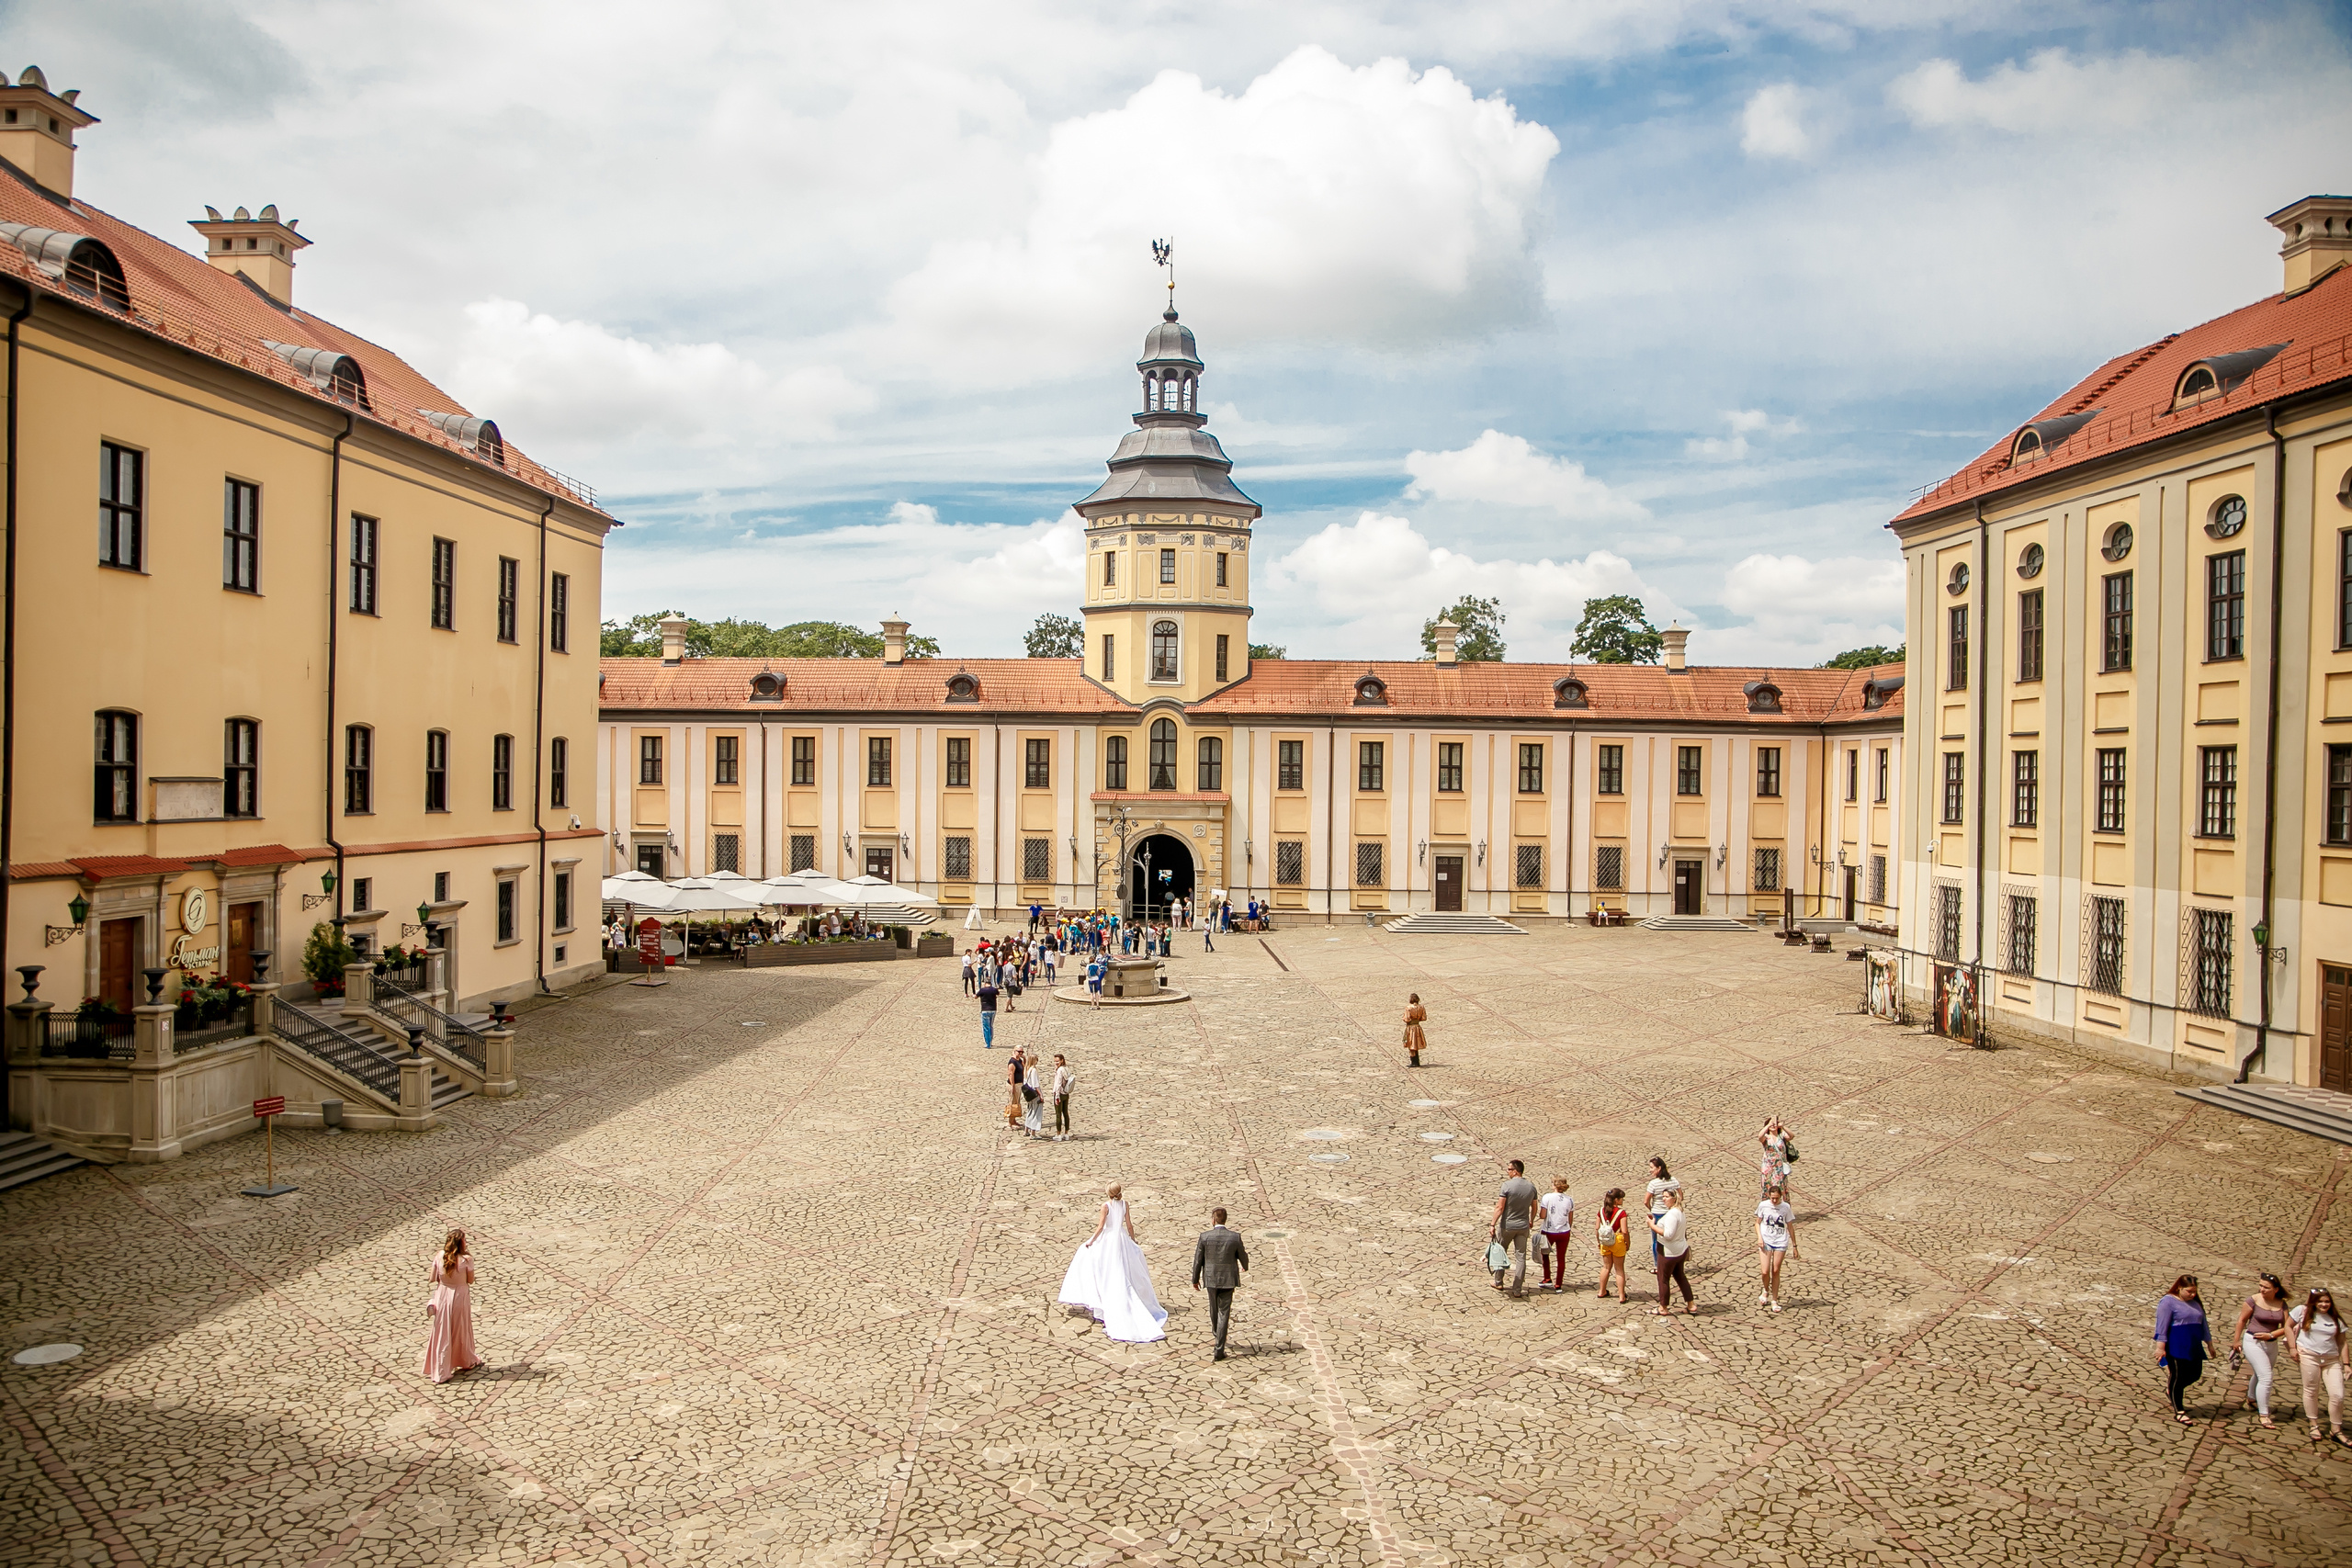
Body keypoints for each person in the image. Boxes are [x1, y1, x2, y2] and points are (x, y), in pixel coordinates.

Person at [1057, 1184, 1168, 1342]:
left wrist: (1091, 1241)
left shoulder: (1106, 1206)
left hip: (1109, 1241)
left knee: (1102, 1268)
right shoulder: (1125, 1204)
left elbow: (1101, 1227)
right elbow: (1129, 1225)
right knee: (1123, 1269)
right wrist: (1133, 1240)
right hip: (1122, 1239)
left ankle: (1102, 1299)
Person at [422, 1228, 484, 1383]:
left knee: (442, 1331)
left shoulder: (439, 1256)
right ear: (461, 1242)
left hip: (442, 1295)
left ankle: (441, 1367)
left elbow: (432, 1278)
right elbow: (470, 1280)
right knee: (460, 1329)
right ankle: (465, 1359)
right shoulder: (466, 1259)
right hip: (459, 1297)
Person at [2289, 1285, 2348, 1446]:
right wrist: (2293, 1348)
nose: (2324, 1305)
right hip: (2309, 1356)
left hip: (2331, 1360)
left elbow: (2342, 1342)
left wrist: (2347, 1364)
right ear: (2314, 1302)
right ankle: (2314, 1424)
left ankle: (2336, 1429)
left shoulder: (2335, 1318)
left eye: (2327, 1301)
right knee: (2311, 1390)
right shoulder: (2302, 1311)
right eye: (2321, 1302)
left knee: (2338, 1395)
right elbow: (2287, 1326)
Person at [2234, 1272, 2292, 1430]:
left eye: (2266, 1287)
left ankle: (2252, 1398)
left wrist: (2271, 1335)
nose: (2262, 1289)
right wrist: (2236, 1340)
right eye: (2260, 1286)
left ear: (2276, 1289)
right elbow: (2242, 1320)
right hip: (2253, 1341)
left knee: (2260, 1373)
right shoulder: (2253, 1300)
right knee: (2266, 1376)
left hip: (2271, 1343)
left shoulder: (2282, 1304)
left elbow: (2288, 1327)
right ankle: (2264, 1414)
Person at [1192, 1206, 1250, 1360]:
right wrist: (1245, 1265)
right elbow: (1242, 1255)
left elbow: (1198, 1260)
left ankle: (1218, 1337)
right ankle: (1219, 1345)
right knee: (1224, 1312)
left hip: (1211, 1279)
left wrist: (1195, 1279)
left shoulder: (1205, 1237)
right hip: (1228, 1279)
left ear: (1213, 1220)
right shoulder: (1234, 1237)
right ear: (1225, 1220)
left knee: (1214, 1309)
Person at [2155, 1274, 2215, 1424]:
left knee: (2195, 1374)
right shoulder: (2168, 1302)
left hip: (2193, 1344)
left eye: (2194, 1291)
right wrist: (2160, 1347)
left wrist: (2209, 1344)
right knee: (2178, 1376)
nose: (2193, 1294)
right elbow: (2161, 1325)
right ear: (2179, 1288)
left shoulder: (2195, 1303)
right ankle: (2179, 1410)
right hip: (2176, 1344)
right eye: (2189, 1291)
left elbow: (2203, 1323)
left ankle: (2173, 1389)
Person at [1490, 1159, 1538, 1299]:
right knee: (1521, 1257)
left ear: (1516, 1171)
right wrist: (1531, 1220)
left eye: (1509, 1169)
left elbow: (1500, 1207)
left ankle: (1498, 1281)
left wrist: (1493, 1223)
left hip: (1507, 1226)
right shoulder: (1531, 1187)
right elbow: (1534, 1207)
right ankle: (1517, 1289)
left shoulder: (1507, 1186)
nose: (1508, 1171)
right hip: (1523, 1226)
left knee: (1501, 1252)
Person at [1648, 1187, 1694, 1315]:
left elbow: (1668, 1234)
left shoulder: (1672, 1215)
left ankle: (1663, 1307)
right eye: (1663, 1196)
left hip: (1669, 1252)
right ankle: (1691, 1304)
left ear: (1674, 1198)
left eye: (1666, 1197)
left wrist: (1653, 1226)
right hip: (1680, 1250)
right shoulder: (1679, 1211)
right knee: (1680, 1277)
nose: (1664, 1199)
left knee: (1663, 1278)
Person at [1756, 1181, 1796, 1312]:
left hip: (1780, 1241)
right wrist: (1760, 1237)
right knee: (1765, 1271)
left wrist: (1795, 1246)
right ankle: (1765, 1289)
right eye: (1772, 1198)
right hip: (1766, 1240)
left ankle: (1774, 1299)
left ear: (1781, 1196)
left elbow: (1790, 1226)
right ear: (1768, 1196)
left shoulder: (1786, 1207)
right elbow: (1757, 1223)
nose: (1774, 1200)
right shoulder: (1763, 1205)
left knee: (1776, 1270)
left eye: (1776, 1198)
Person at [1537, 1178, 1575, 1292]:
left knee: (1544, 1254)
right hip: (1564, 1231)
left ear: (1554, 1185)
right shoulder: (1569, 1200)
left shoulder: (1547, 1197)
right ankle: (1558, 1284)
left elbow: (1542, 1216)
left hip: (1549, 1231)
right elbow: (1570, 1218)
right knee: (1561, 1258)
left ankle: (1547, 1277)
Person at [1595, 1188, 1631, 1303]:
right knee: (1619, 1269)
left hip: (1605, 1242)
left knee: (1606, 1267)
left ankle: (1602, 1291)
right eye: (1621, 1199)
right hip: (1617, 1241)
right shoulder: (1621, 1213)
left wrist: (1599, 1242)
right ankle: (1621, 1296)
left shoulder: (1601, 1211)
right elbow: (1624, 1231)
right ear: (1616, 1200)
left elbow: (1597, 1228)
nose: (1622, 1201)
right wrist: (1627, 1243)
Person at [1645, 1156, 1679, 1266]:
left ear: (1659, 1168)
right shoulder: (1673, 1180)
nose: (1650, 1170)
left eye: (1651, 1168)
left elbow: (1646, 1201)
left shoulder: (1653, 1184)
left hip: (1658, 1214)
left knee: (1656, 1241)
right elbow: (1680, 1196)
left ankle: (1657, 1264)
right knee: (1673, 1238)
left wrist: (1652, 1209)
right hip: (1671, 1212)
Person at [1758, 1117, 1792, 1201]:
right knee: (1768, 1186)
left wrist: (1783, 1126)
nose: (1773, 1125)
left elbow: (1791, 1136)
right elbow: (1760, 1137)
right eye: (1771, 1123)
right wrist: (1767, 1126)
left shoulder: (1781, 1136)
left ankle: (1781, 1206)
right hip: (1768, 1167)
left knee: (1780, 1186)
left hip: (1779, 1167)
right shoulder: (1766, 1137)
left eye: (1774, 1123)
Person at [1051, 1054, 1075, 1141]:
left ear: (1062, 1060)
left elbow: (1058, 1084)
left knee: (1058, 1114)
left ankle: (1058, 1133)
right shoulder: (1066, 1068)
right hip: (1066, 1094)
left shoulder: (1060, 1070)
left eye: (1057, 1061)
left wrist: (1057, 1096)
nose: (1056, 1063)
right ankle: (1066, 1133)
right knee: (1066, 1113)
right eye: (1055, 1061)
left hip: (1060, 1094)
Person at [1021, 1055, 1046, 1138]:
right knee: (1036, 1112)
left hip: (1029, 1094)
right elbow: (1036, 1085)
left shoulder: (1026, 1070)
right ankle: (1033, 1133)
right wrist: (1041, 1095)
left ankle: (1026, 1130)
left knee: (1030, 1111)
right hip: (1034, 1094)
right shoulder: (1033, 1070)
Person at [1403, 994, 1428, 1068]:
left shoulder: (1408, 1008)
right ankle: (1417, 1061)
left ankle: (1414, 1062)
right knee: (1416, 1043)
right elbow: (1424, 1018)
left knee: (1411, 1043)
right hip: (1417, 1026)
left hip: (1411, 1027)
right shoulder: (1421, 1007)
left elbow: (1407, 1018)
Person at [977, 969, 999, 1047]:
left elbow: (976, 996)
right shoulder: (994, 989)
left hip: (985, 1010)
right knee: (991, 1026)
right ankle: (991, 1041)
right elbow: (998, 994)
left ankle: (988, 1043)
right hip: (993, 1009)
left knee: (986, 1027)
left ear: (985, 983)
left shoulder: (982, 990)